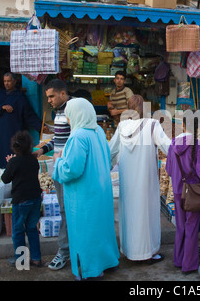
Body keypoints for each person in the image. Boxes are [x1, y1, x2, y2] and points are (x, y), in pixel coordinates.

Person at [52, 98, 119, 281]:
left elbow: (71, 169)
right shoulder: (97, 132)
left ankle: (92, 270)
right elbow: (107, 158)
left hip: (83, 196)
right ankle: (108, 261)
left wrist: (58, 160)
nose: (67, 118)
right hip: (100, 191)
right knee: (102, 229)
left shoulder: (78, 136)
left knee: (85, 232)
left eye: (68, 114)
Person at [109, 95, 171, 264]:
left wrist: (105, 167)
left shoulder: (122, 126)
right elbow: (168, 147)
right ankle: (147, 253)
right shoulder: (152, 125)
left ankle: (130, 251)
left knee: (130, 213)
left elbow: (111, 151)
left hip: (127, 183)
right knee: (146, 214)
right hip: (146, 182)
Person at [165, 114, 200, 274]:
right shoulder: (199, 146)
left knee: (181, 226)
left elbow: (168, 170)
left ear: (182, 125)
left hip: (178, 191)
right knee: (192, 227)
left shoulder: (172, 145)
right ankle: (189, 265)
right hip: (194, 193)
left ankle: (178, 260)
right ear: (198, 127)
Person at [32, 79, 71, 271]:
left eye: (51, 96)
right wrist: (43, 149)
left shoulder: (72, 111)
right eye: (47, 97)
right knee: (65, 211)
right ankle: (68, 250)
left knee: (66, 211)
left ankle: (64, 252)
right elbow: (59, 139)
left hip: (68, 170)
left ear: (63, 94)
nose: (49, 100)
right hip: (59, 168)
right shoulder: (59, 113)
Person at [0, 72, 43, 174]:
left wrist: (41, 127)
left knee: (10, 152)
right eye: (4, 81)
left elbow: (29, 115)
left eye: (8, 81)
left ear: (14, 81)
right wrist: (2, 107)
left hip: (11, 131)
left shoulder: (19, 97)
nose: (6, 84)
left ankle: (9, 172)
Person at [1, 131, 42, 267]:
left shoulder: (14, 162)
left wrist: (9, 163)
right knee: (32, 228)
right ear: (30, 145)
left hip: (21, 201)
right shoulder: (33, 160)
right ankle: (36, 258)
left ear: (14, 147)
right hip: (35, 198)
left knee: (18, 231)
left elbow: (5, 179)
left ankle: (21, 260)